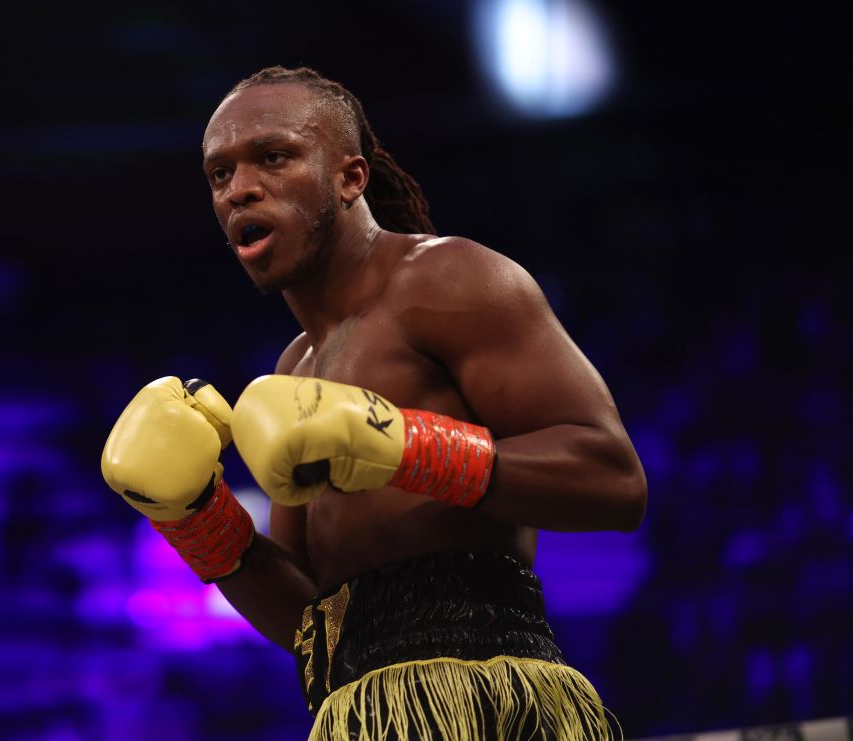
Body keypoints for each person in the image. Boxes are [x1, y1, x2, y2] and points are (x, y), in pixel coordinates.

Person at [101, 66, 647, 740]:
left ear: (350, 178)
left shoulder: (449, 277)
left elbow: (614, 480)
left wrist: (400, 445)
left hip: (494, 706)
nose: (240, 188)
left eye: (273, 157)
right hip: (360, 717)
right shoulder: (296, 368)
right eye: (219, 174)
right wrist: (200, 521)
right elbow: (313, 621)